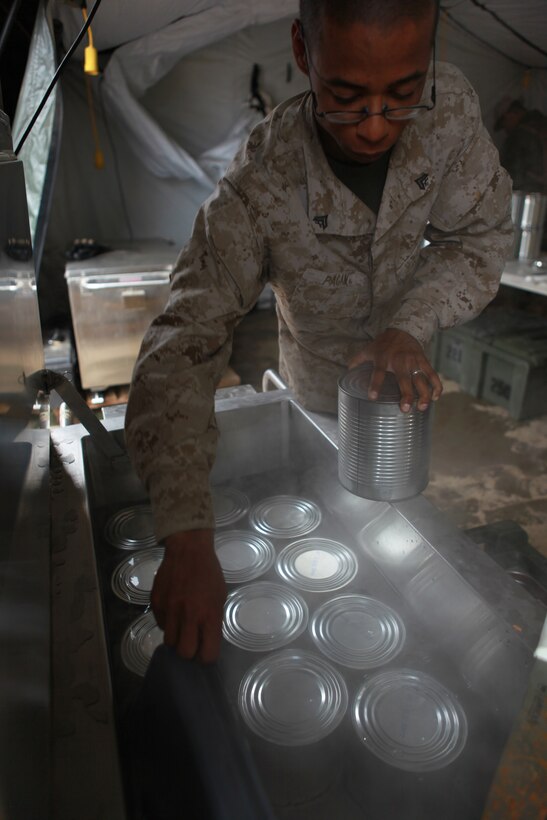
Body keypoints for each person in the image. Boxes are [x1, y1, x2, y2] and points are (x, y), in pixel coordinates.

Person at [125, 0, 513, 663]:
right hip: (314, 400)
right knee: (324, 553)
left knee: (405, 559)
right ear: (304, 52)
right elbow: (184, 342)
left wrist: (408, 326)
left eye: (400, 94)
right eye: (344, 95)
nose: (372, 127)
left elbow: (479, 240)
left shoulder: (448, 116)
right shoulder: (261, 183)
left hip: (405, 394)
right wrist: (187, 535)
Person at [495, 98, 547, 194]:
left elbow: (510, 174)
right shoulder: (543, 125)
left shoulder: (519, 135)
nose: (505, 130)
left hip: (528, 198)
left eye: (504, 123)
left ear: (511, 114)